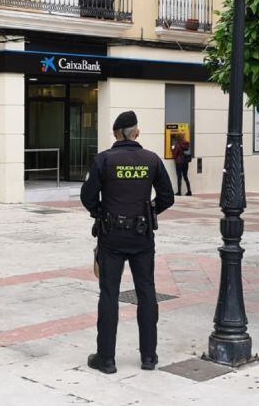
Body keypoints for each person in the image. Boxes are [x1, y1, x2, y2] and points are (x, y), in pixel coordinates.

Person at [80, 111, 175, 374]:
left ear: (115, 134)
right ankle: (149, 357)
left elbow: (87, 196)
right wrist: (149, 211)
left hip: (111, 236)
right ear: (137, 132)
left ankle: (106, 358)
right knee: (146, 292)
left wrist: (101, 212)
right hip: (142, 236)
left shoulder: (104, 160)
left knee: (109, 293)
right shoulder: (152, 160)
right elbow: (167, 197)